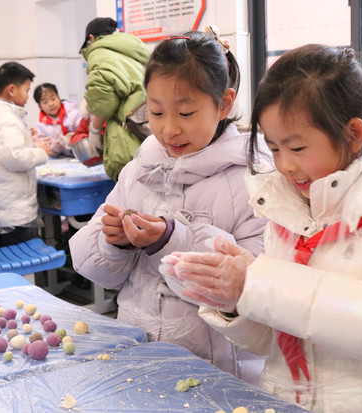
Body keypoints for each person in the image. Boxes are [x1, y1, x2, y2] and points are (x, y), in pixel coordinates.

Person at [160, 44, 362, 412]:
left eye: (296, 148)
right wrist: (235, 300)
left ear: (353, 134)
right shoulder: (290, 207)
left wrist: (258, 284)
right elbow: (278, 338)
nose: (285, 166)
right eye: (274, 148)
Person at [69, 27, 268, 385]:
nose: (169, 129)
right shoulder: (141, 169)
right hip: (140, 356)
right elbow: (96, 270)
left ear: (224, 103)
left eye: (186, 113)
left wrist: (170, 241)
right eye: (156, 112)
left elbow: (253, 285)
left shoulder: (252, 179)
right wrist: (113, 243)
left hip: (220, 372)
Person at [0, 61, 51, 250]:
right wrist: (41, 152)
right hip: (13, 211)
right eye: (26, 90)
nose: (28, 96)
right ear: (12, 89)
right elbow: (15, 158)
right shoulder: (7, 120)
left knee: (2, 253)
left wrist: (29, 142)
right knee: (24, 258)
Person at [75, 17, 150, 181]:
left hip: (126, 138)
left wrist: (94, 129)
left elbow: (104, 99)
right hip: (146, 133)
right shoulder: (132, 51)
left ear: (91, 39)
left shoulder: (99, 52)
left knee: (129, 185)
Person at [33, 83, 82, 157]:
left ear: (58, 97)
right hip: (60, 159)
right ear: (40, 106)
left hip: (80, 154)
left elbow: (84, 131)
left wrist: (72, 138)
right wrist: (55, 149)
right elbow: (45, 149)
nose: (51, 104)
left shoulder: (73, 113)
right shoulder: (40, 125)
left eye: (53, 99)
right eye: (45, 102)